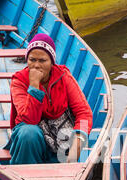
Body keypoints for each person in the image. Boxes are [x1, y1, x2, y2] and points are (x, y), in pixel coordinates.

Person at [5, 33, 93, 164]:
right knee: (29, 133)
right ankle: (26, 175)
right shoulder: (19, 81)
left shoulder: (63, 76)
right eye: (32, 60)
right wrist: (34, 86)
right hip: (30, 141)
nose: (36, 65)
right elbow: (30, 120)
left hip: (61, 137)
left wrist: (77, 146)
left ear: (52, 62)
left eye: (42, 60)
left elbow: (84, 113)